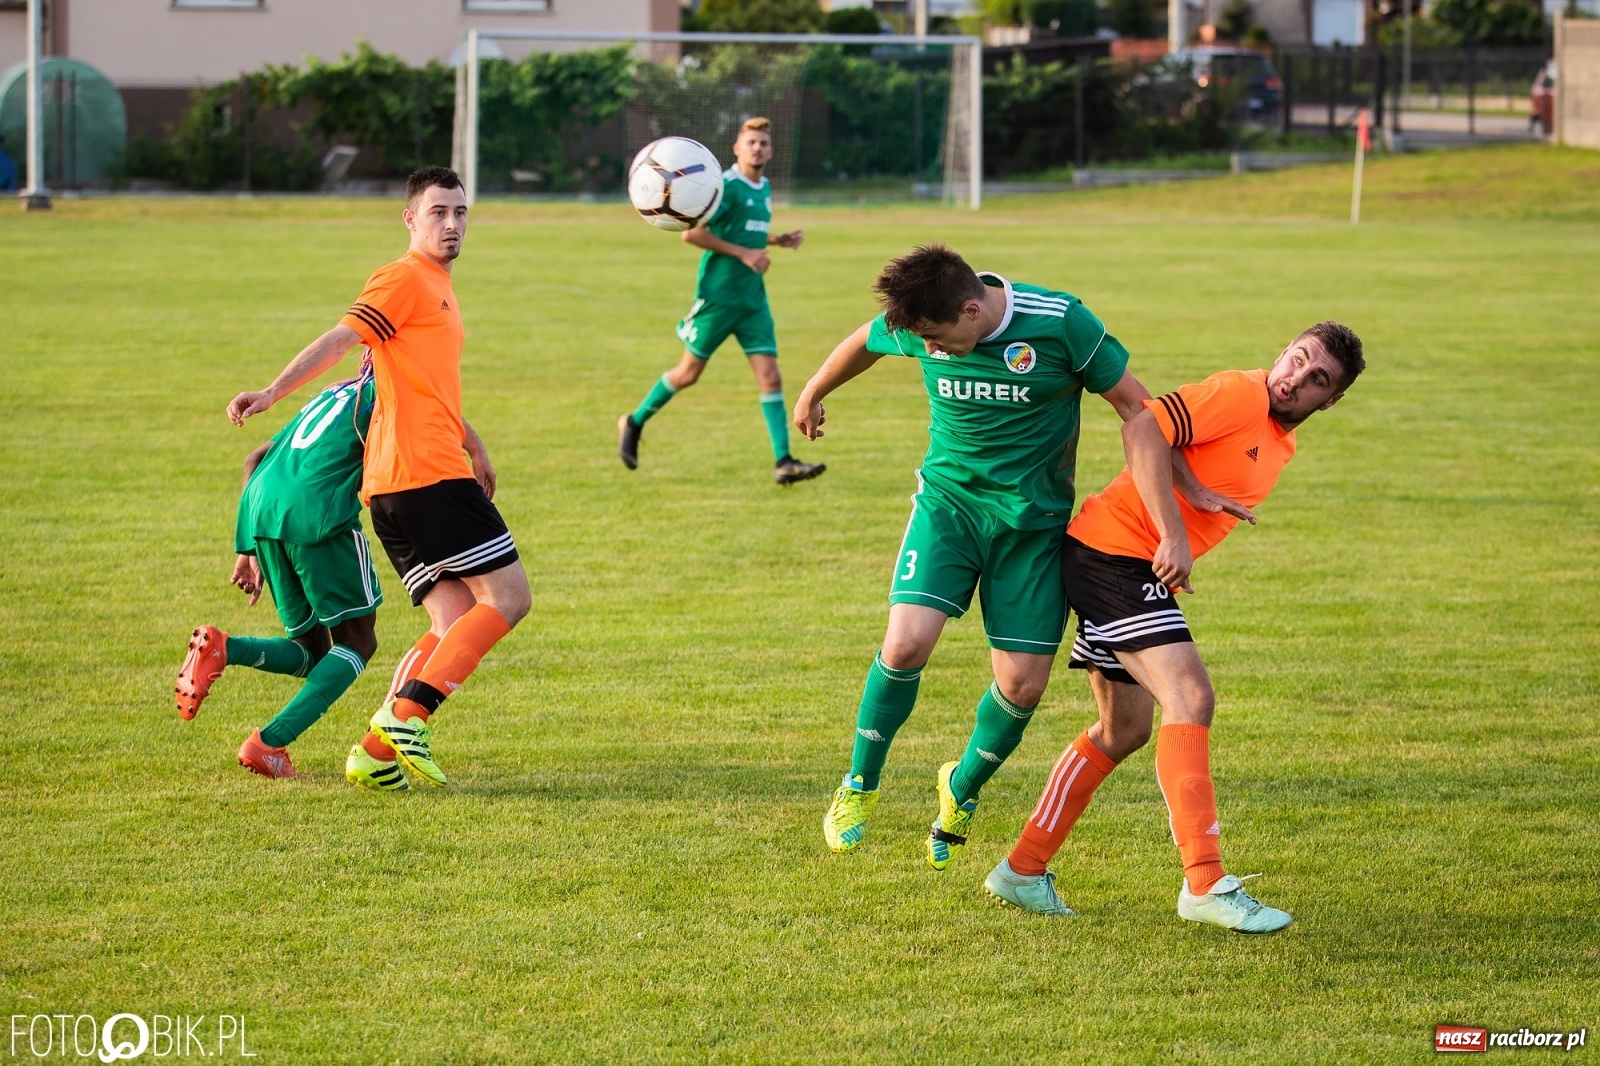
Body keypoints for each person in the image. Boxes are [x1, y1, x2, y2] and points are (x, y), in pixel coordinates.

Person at [796, 244, 1242, 867]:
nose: (930, 348)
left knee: (1023, 686)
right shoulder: (926, 323)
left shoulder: (1060, 323)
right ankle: (859, 785)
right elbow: (868, 340)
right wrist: (816, 387)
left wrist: (1185, 491)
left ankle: (960, 789)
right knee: (904, 646)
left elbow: (1137, 409)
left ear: (973, 311)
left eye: (937, 337)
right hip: (948, 509)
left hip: (1032, 530)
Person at [983, 321, 1365, 933]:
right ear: (1280, 351)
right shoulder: (1241, 395)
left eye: (1316, 378)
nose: (1294, 379)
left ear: (1332, 399)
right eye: (1296, 360)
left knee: (1123, 729)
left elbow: (1172, 450)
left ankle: (1022, 869)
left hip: (1126, 560)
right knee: (1191, 696)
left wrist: (1188, 506)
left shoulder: (1278, 439)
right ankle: (1205, 884)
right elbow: (1143, 425)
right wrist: (1172, 533)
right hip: (1113, 553)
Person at [226, 166, 529, 791]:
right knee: (509, 598)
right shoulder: (403, 278)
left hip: (397, 483)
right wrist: (273, 391)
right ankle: (405, 718)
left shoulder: (434, 287)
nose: (452, 224)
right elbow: (342, 339)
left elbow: (419, 384)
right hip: (425, 474)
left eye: (461, 213)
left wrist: (477, 444)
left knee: (451, 622)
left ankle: (375, 752)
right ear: (410, 219)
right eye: (438, 212)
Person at [176, 377, 382, 780]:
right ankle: (268, 742)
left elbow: (254, 458)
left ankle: (224, 648)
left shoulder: (333, 392)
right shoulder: (394, 391)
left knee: (312, 651)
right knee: (358, 641)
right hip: (315, 516)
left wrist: (247, 545)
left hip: (262, 508)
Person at [618, 117, 825, 486]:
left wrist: (778, 240)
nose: (758, 148)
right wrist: (745, 254)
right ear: (737, 148)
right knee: (688, 374)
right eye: (751, 143)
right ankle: (634, 420)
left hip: (752, 302)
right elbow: (692, 235)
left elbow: (748, 229)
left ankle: (784, 461)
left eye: (763, 143)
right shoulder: (723, 186)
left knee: (770, 376)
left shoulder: (762, 187)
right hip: (719, 297)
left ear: (770, 150)